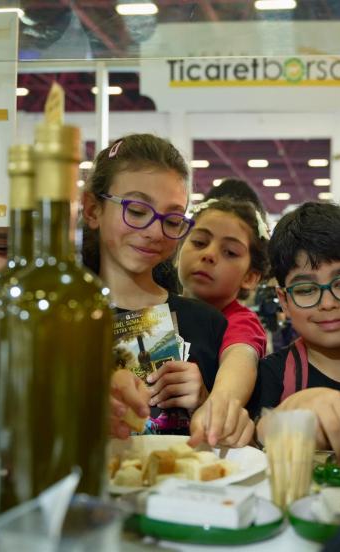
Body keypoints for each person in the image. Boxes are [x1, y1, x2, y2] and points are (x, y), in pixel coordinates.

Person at [80, 134, 227, 440]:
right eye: (136, 211)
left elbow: (235, 445)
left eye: (172, 220)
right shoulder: (61, 317)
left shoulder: (207, 323)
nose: (155, 232)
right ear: (93, 209)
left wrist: (203, 402)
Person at [248, 202, 340, 465]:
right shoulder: (266, 378)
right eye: (306, 290)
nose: (327, 303)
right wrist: (274, 424)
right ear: (284, 301)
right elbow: (246, 442)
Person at [177, 197, 270, 447]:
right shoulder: (157, 308)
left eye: (229, 252)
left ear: (250, 277)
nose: (209, 255)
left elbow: (241, 357)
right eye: (199, 242)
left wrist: (219, 404)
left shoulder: (240, 322)